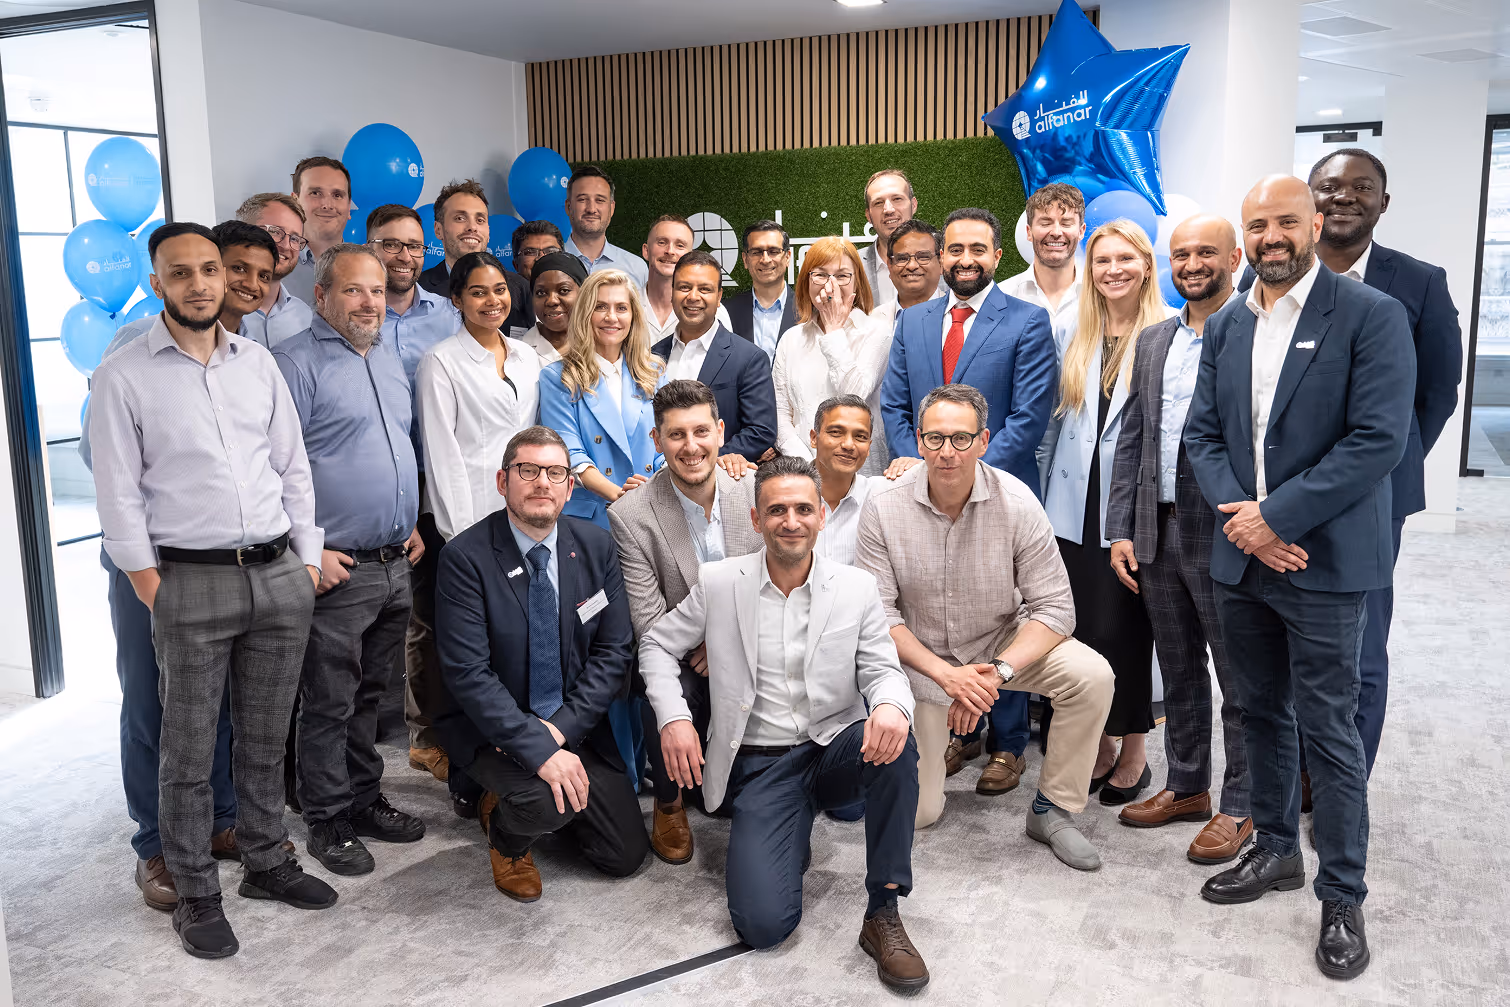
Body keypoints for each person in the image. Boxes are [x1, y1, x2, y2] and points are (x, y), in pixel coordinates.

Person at [1185, 175, 1415, 980]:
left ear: (1315, 223)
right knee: (1254, 711)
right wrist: (1241, 517)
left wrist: (1276, 517)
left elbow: (1377, 439)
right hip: (1241, 558)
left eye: (1286, 220)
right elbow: (1203, 435)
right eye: (1258, 224)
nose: (1271, 236)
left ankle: (1342, 893)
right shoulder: (1226, 327)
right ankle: (1276, 849)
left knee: (1329, 727)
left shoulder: (1370, 316)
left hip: (1322, 559)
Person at [90, 221, 336, 959]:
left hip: (274, 574)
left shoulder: (257, 364)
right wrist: (149, 584)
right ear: (157, 281)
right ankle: (196, 890)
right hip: (187, 579)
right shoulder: (126, 372)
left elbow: (292, 467)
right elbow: (117, 492)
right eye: (180, 272)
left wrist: (306, 558)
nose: (199, 283)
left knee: (264, 741)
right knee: (188, 752)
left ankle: (266, 860)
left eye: (209, 270)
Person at [640, 455, 928, 991]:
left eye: (802, 509)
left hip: (831, 748)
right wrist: (674, 717)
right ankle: (789, 830)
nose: (790, 521)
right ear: (755, 520)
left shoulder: (856, 587)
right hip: (760, 765)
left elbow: (884, 671)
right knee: (764, 926)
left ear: (821, 514)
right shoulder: (721, 582)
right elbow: (656, 642)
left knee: (897, 740)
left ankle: (883, 911)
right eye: (776, 510)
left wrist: (890, 704)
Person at [854, 385, 1114, 870]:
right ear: (917, 439)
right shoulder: (883, 506)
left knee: (1092, 676)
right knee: (921, 815)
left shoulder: (1017, 503)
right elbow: (878, 616)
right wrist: (947, 677)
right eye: (933, 439)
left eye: (959, 438)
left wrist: (995, 675)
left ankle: (1052, 810)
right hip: (921, 661)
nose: (946, 452)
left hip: (999, 644)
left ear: (983, 441)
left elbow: (1056, 609)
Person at [433, 425, 650, 900]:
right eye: (527, 470)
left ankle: (539, 801)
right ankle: (506, 837)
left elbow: (614, 652)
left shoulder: (594, 546)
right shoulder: (464, 558)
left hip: (569, 723)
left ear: (570, 486)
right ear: (502, 481)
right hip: (492, 729)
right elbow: (469, 676)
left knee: (623, 857)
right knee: (545, 803)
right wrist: (534, 746)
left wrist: (558, 733)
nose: (541, 483)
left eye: (555, 472)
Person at [272, 243, 427, 875]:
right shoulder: (292, 364)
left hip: (396, 559)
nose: (370, 301)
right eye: (354, 290)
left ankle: (364, 797)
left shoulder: (389, 358)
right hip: (338, 565)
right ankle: (326, 816)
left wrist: (411, 522)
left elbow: (398, 446)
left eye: (377, 289)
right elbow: (275, 469)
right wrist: (310, 549)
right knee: (328, 699)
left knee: (372, 695)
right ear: (322, 296)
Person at [1307, 149, 1461, 776]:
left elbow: (1438, 392)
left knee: (1358, 642)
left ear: (1383, 202)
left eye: (1361, 187)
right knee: (1288, 641)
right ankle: (1290, 769)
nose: (1343, 197)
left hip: (1374, 498)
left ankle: (1343, 780)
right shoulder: (1273, 274)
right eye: (1329, 186)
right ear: (1308, 198)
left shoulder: (1419, 281)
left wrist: (1381, 468)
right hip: (1280, 496)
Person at [1105, 215, 1252, 864]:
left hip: (1228, 535)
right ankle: (1188, 784)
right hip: (1156, 532)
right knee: (1182, 670)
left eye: (1205, 253)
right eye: (1181, 253)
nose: (1191, 263)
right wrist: (1120, 529)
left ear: (1234, 257)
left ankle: (1243, 804)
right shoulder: (1155, 338)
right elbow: (1132, 437)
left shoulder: (1253, 330)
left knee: (1243, 681)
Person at [1042, 220, 1174, 807]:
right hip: (1073, 504)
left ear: (1146, 265)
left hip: (1133, 505)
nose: (1112, 269)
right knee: (1086, 627)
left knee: (1130, 628)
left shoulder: (1168, 332)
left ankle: (1137, 751)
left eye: (1125, 258)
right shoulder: (1077, 331)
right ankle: (1098, 742)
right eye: (1101, 261)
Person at [606, 380, 761, 865]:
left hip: (753, 644)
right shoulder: (630, 515)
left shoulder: (755, 488)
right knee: (662, 686)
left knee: (736, 801)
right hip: (681, 653)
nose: (691, 447)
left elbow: (782, 586)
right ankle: (668, 801)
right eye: (676, 435)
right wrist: (707, 645)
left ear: (720, 432)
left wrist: (725, 641)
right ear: (657, 441)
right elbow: (650, 624)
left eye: (700, 431)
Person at [880, 207, 1058, 493]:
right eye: (955, 249)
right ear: (941, 256)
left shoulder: (1029, 321)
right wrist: (921, 466)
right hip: (920, 488)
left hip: (999, 490)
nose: (966, 260)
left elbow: (1027, 420)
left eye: (978, 249)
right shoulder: (911, 321)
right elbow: (894, 406)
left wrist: (962, 472)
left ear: (996, 257)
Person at [418, 251, 544, 541]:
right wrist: (460, 535)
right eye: (478, 293)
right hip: (470, 516)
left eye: (500, 290)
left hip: (526, 512)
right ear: (457, 300)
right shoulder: (440, 361)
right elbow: (442, 456)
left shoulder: (525, 354)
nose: (493, 301)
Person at [537, 269, 662, 529]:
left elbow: (666, 445)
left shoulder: (655, 372)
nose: (612, 317)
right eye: (601, 307)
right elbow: (570, 454)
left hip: (654, 509)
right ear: (585, 314)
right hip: (593, 519)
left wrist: (653, 490)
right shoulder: (558, 377)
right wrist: (621, 496)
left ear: (633, 316)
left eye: (621, 308)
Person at [773, 236, 890, 476]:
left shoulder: (877, 332)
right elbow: (780, 415)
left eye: (842, 275)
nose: (831, 284)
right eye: (820, 274)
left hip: (861, 473)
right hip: (804, 472)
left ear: (857, 281)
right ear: (807, 280)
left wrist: (834, 329)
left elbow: (853, 397)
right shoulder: (791, 339)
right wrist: (810, 464)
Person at [651, 250, 777, 470]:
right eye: (684, 287)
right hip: (656, 482)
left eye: (704, 289)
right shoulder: (651, 357)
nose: (693, 296)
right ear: (672, 293)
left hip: (719, 482)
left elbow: (760, 430)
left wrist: (697, 460)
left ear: (719, 297)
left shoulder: (749, 358)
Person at [417, 179, 530, 336]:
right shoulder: (419, 289)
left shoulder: (519, 287)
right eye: (460, 218)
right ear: (438, 230)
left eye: (480, 220)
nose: (472, 227)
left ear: (488, 231)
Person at [998, 183, 1087, 344]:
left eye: (1066, 223)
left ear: (1081, 231)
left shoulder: (1101, 293)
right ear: (1028, 232)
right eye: (1045, 223)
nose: (1056, 232)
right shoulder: (1002, 297)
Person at [234, 192, 314, 348]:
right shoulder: (215, 312)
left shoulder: (304, 316)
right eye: (275, 231)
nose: (285, 245)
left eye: (295, 238)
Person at [640, 215, 733, 342]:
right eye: (662, 242)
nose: (670, 251)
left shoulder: (715, 313)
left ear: (690, 256)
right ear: (646, 251)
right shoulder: (624, 304)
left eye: (680, 245)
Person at [811, 394, 879, 566]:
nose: (848, 445)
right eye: (836, 433)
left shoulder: (879, 497)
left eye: (860, 437)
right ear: (814, 438)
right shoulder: (784, 492)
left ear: (869, 447)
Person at [563, 165, 649, 291]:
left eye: (600, 200)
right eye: (582, 199)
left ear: (612, 208)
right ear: (568, 207)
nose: (591, 209)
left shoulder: (636, 268)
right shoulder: (550, 263)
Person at [858, 169, 936, 306]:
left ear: (913, 205)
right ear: (868, 215)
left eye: (897, 199)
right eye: (878, 203)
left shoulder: (944, 262)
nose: (888, 209)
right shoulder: (852, 266)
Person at [724, 220, 796, 359]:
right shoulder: (726, 312)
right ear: (745, 259)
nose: (765, 259)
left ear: (787, 257)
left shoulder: (809, 310)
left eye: (773, 251)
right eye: (756, 252)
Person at [284, 156, 352, 304]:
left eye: (337, 195)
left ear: (349, 208)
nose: (327, 205)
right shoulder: (272, 267)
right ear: (295, 202)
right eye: (315, 193)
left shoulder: (369, 269)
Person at [868, 219, 947, 335]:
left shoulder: (959, 317)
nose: (912, 265)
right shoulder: (871, 323)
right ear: (889, 266)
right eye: (902, 259)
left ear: (941, 262)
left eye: (923, 257)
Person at [520, 251, 587, 366]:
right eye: (540, 292)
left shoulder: (605, 343)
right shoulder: (519, 353)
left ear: (584, 293)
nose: (552, 301)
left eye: (564, 290)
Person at [512, 219, 564, 284]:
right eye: (530, 252)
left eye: (551, 251)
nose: (542, 257)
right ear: (516, 265)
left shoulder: (579, 292)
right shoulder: (507, 293)